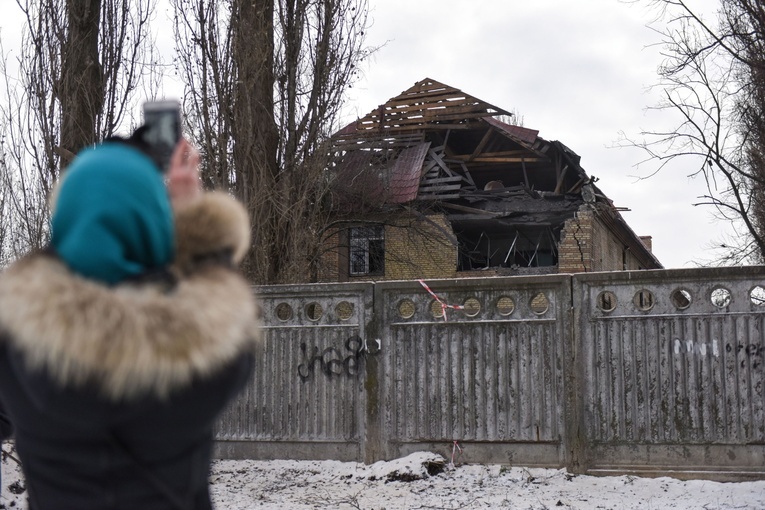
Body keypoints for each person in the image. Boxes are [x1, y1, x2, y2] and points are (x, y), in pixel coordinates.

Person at [0, 132, 261, 509]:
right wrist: (195, 227)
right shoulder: (201, 348)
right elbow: (229, 311)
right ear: (154, 226)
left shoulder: (15, 343)